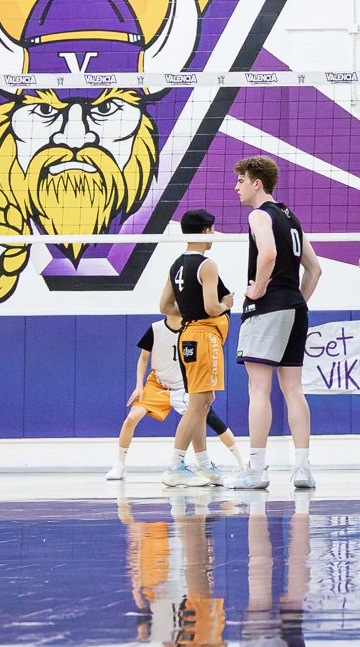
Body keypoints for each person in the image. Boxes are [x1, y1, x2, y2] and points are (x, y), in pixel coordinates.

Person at [229, 158, 321, 492]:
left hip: (268, 308)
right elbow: (315, 270)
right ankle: (303, 469)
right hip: (295, 308)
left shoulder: (259, 215)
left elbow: (267, 254)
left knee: (259, 388)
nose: (236, 187)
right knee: (293, 389)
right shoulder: (291, 217)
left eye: (241, 180)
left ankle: (256, 469)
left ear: (257, 183)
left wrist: (258, 289)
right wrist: (297, 302)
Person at [108, 307, 244, 482]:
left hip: (184, 386)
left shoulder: (190, 329)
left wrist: (204, 387)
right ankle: (119, 464)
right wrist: (139, 386)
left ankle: (238, 462)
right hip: (157, 384)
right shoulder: (155, 328)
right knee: (131, 418)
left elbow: (200, 362)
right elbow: (143, 358)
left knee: (210, 421)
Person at [159, 211, 233, 488]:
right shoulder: (206, 264)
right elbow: (213, 307)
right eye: (212, 230)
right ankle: (175, 466)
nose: (213, 235)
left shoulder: (176, 264)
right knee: (197, 404)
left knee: (202, 402)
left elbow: (164, 306)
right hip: (202, 337)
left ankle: (203, 464)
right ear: (204, 231)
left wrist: (189, 309)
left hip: (186, 335)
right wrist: (226, 305)